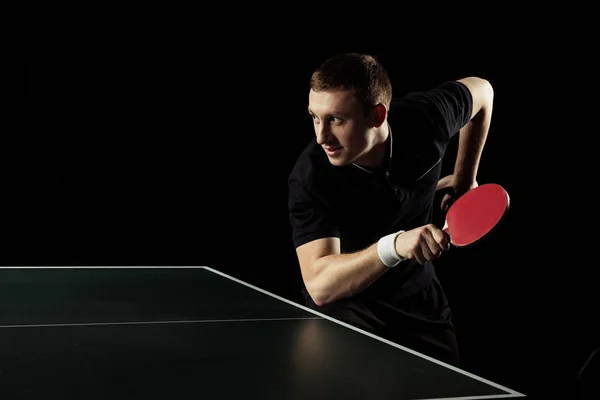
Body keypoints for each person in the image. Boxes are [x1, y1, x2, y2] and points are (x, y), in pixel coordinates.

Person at [287, 52, 494, 367]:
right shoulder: (311, 176)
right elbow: (320, 285)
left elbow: (482, 91)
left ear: (378, 115)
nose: (321, 136)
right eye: (315, 117)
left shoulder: (427, 119)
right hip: (349, 307)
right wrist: (394, 246)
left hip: (420, 300)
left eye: (336, 120)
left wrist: (465, 178)